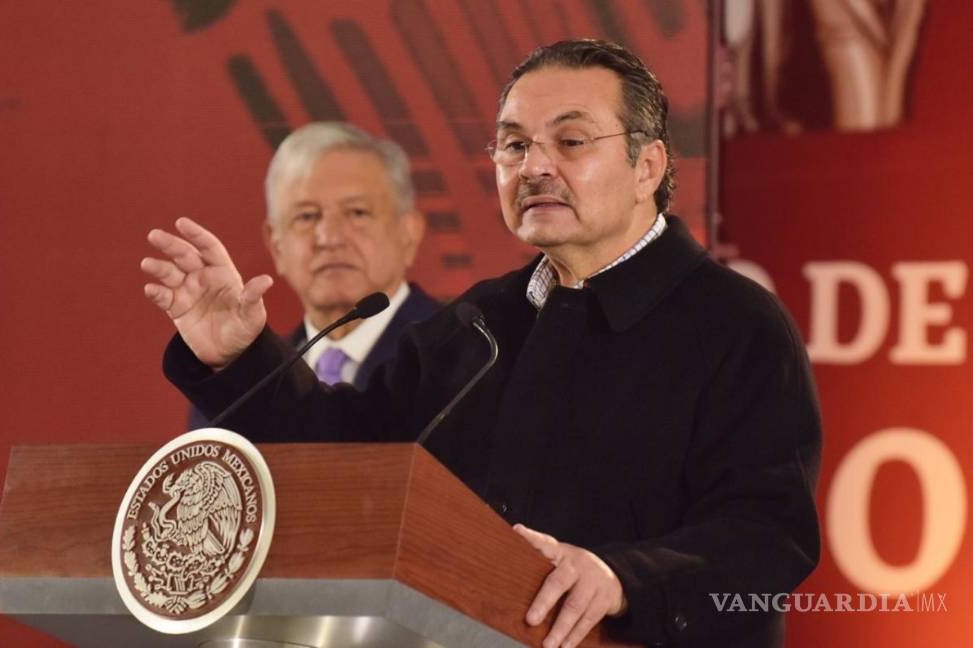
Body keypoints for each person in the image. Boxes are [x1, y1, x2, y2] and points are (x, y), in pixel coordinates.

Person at [143, 40, 821, 647]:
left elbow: (767, 537)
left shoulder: (735, 323)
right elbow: (345, 458)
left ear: (647, 166)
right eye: (514, 145)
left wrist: (622, 580)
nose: (534, 167)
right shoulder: (482, 321)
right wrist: (237, 355)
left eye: (570, 141)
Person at [187, 122, 438, 428]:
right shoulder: (247, 383)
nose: (329, 238)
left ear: (409, 233)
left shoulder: (461, 357)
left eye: (357, 212)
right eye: (306, 216)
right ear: (276, 245)